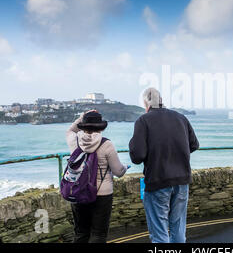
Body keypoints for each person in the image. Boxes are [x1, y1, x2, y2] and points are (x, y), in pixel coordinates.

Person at [129, 88, 199, 243]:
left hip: (158, 180)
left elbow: (137, 156)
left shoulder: (143, 121)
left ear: (145, 103)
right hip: (182, 180)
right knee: (178, 228)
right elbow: (194, 145)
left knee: (159, 231)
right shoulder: (180, 118)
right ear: (161, 100)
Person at [66, 110, 128, 243]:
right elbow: (118, 171)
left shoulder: (74, 140)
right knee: (98, 234)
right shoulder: (107, 144)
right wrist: (125, 168)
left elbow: (70, 130)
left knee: (81, 232)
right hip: (102, 194)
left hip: (79, 191)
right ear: (101, 127)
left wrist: (82, 116)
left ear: (83, 125)